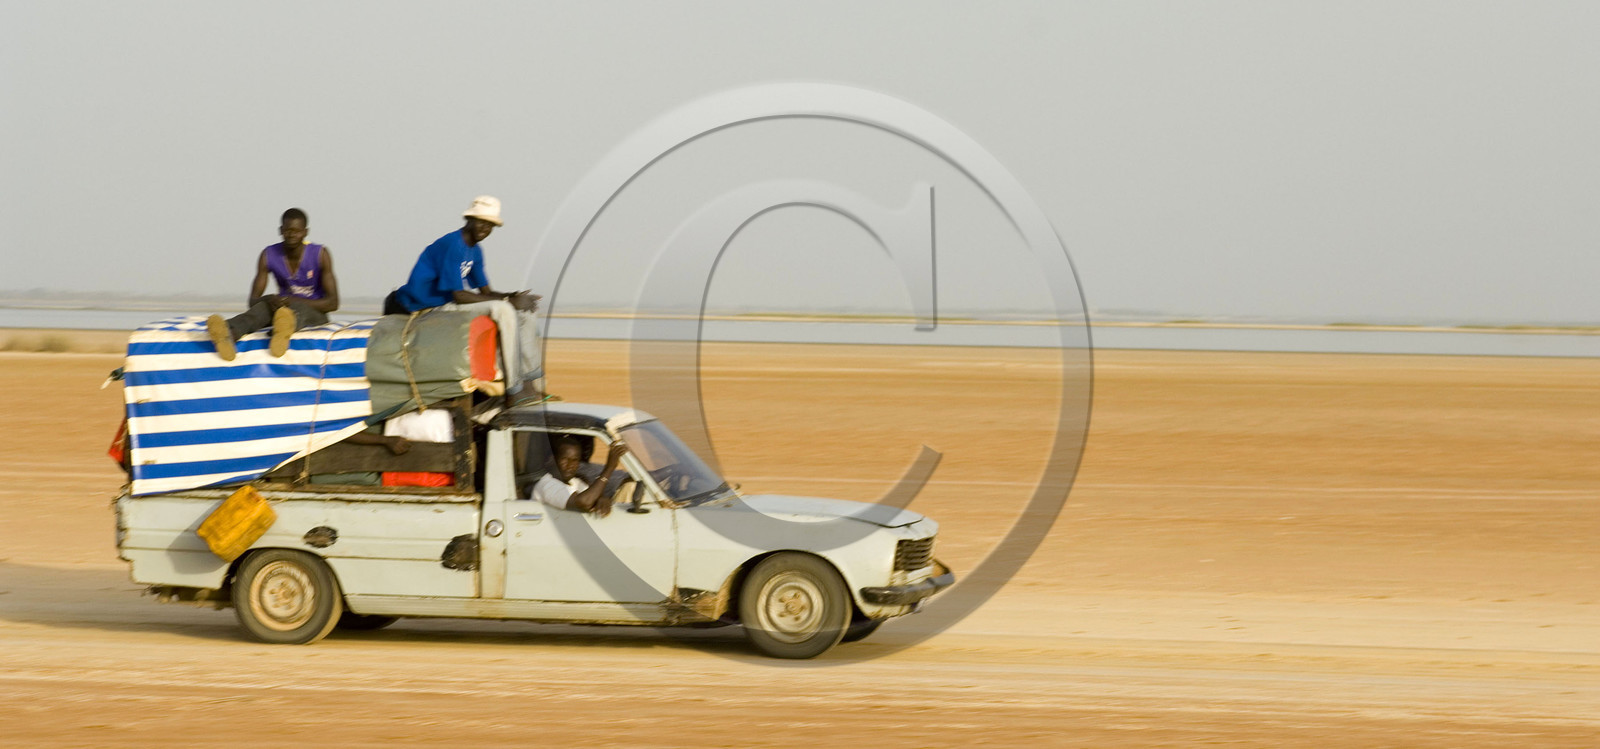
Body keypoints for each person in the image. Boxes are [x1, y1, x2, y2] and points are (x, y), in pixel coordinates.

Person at [384, 196, 543, 399]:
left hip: (448, 303)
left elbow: (486, 293)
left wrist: (514, 296)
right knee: (503, 310)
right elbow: (459, 295)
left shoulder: (475, 251)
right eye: (481, 222)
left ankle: (531, 380)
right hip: (426, 307)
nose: (485, 228)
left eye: (490, 225)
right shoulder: (453, 245)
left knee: (525, 313)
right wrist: (507, 302)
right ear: (469, 220)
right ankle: (514, 388)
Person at [207, 208, 340, 360]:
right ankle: (228, 333)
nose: (291, 235)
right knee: (262, 309)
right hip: (282, 308)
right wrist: (269, 299)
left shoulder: (320, 254)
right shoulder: (268, 255)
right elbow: (253, 301)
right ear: (281, 230)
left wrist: (293, 300)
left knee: (298, 309)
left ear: (305, 232)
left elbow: (333, 303)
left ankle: (283, 330)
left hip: (314, 313)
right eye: (287, 230)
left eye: (296, 231)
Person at [528, 435, 629, 516]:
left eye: (575, 460)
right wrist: (609, 468)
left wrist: (601, 498)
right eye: (565, 460)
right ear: (552, 460)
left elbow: (591, 496)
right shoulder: (547, 485)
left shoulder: (576, 482)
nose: (570, 466)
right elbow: (583, 503)